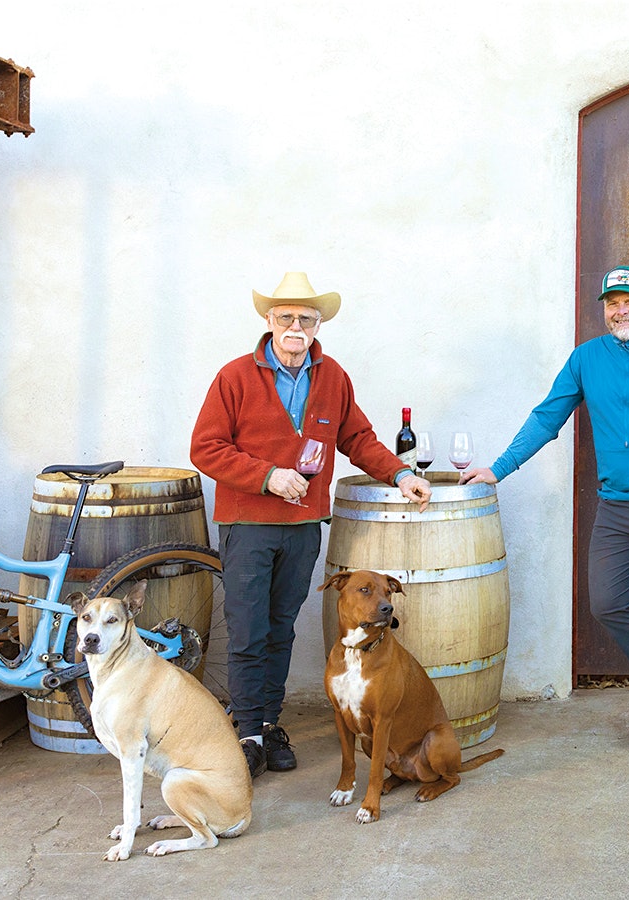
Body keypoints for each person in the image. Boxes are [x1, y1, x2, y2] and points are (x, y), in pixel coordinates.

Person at [460, 265, 629, 754]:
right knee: (608, 602)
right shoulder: (587, 359)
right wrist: (499, 469)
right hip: (618, 510)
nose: (620, 310)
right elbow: (548, 416)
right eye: (611, 303)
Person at [191, 271, 432, 778]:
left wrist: (400, 472)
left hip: (303, 527)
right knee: (247, 631)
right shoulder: (234, 377)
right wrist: (267, 476)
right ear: (268, 321)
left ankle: (270, 723)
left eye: (305, 318)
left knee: (281, 630)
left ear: (318, 325)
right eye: (285, 317)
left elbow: (358, 437)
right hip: (249, 523)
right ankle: (248, 732)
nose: (295, 326)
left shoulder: (332, 377)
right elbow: (205, 448)